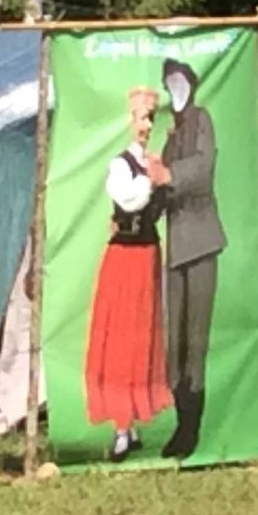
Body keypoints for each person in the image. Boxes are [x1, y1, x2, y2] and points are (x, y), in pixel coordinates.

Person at [83, 87, 175, 461]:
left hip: (148, 254)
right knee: (121, 337)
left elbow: (160, 205)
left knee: (142, 337)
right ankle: (121, 424)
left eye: (151, 118)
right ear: (130, 120)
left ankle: (132, 420)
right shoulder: (121, 165)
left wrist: (164, 173)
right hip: (124, 257)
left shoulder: (152, 162)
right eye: (141, 117)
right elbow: (130, 199)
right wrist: (153, 178)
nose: (147, 125)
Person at [155, 59, 224, 461]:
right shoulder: (173, 132)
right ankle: (182, 424)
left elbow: (202, 166)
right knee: (176, 342)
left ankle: (191, 429)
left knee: (195, 340)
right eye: (170, 82)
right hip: (177, 246)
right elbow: (159, 188)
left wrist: (167, 176)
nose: (174, 88)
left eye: (180, 80)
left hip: (200, 241)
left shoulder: (201, 120)